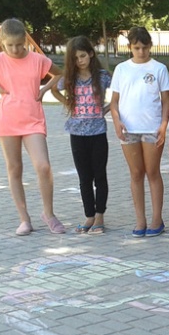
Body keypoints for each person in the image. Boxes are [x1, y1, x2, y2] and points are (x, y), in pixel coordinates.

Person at [0, 18, 64, 236]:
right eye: (10, 45)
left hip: (33, 119)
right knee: (14, 168)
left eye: (19, 44)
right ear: (2, 42)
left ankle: (49, 213)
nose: (15, 49)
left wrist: (44, 89)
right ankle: (24, 219)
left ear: (25, 40)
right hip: (7, 119)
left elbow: (59, 73)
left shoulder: (38, 60)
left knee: (43, 166)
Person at [109, 27, 169, 238]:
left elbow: (166, 101)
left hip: (152, 128)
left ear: (150, 46)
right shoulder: (121, 69)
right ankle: (140, 219)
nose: (141, 52)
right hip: (129, 129)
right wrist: (116, 121)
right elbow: (114, 101)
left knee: (153, 172)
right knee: (136, 173)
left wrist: (164, 124)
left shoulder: (159, 68)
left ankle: (157, 219)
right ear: (130, 47)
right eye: (137, 48)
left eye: (145, 47)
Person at [48, 36, 112, 235]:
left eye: (83, 56)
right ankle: (89, 216)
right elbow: (54, 89)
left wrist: (108, 108)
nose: (80, 61)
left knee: (99, 176)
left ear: (91, 54)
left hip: (98, 132)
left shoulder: (102, 76)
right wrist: (67, 103)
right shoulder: (70, 78)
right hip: (77, 134)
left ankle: (100, 216)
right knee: (84, 178)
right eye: (75, 58)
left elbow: (120, 92)